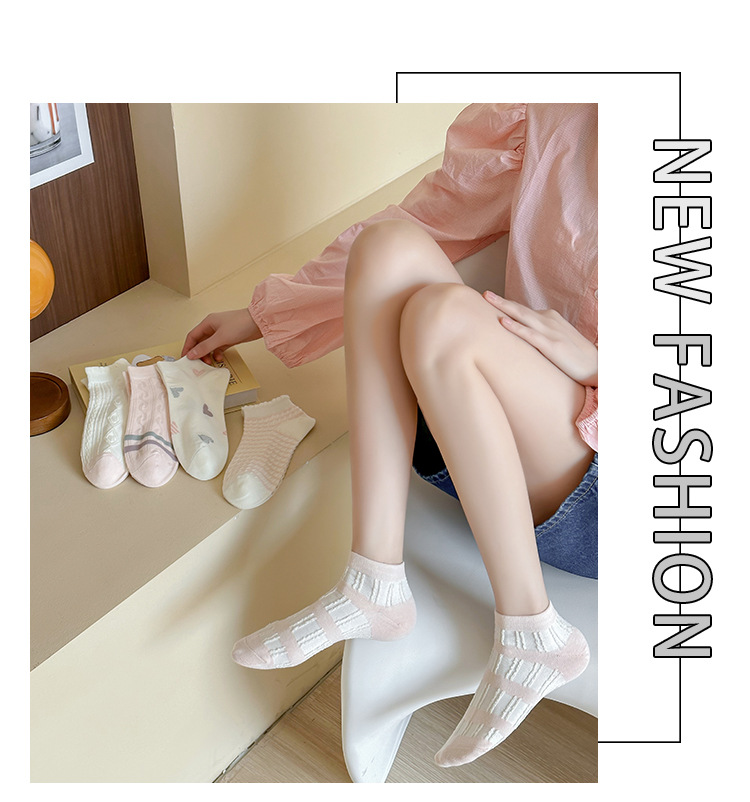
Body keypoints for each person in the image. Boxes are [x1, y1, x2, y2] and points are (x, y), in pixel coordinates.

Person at [182, 103, 598, 769]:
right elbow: (435, 217)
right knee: (389, 247)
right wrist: (263, 314)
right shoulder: (550, 107)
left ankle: (531, 627)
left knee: (445, 318)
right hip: (499, 430)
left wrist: (601, 367)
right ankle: (372, 580)